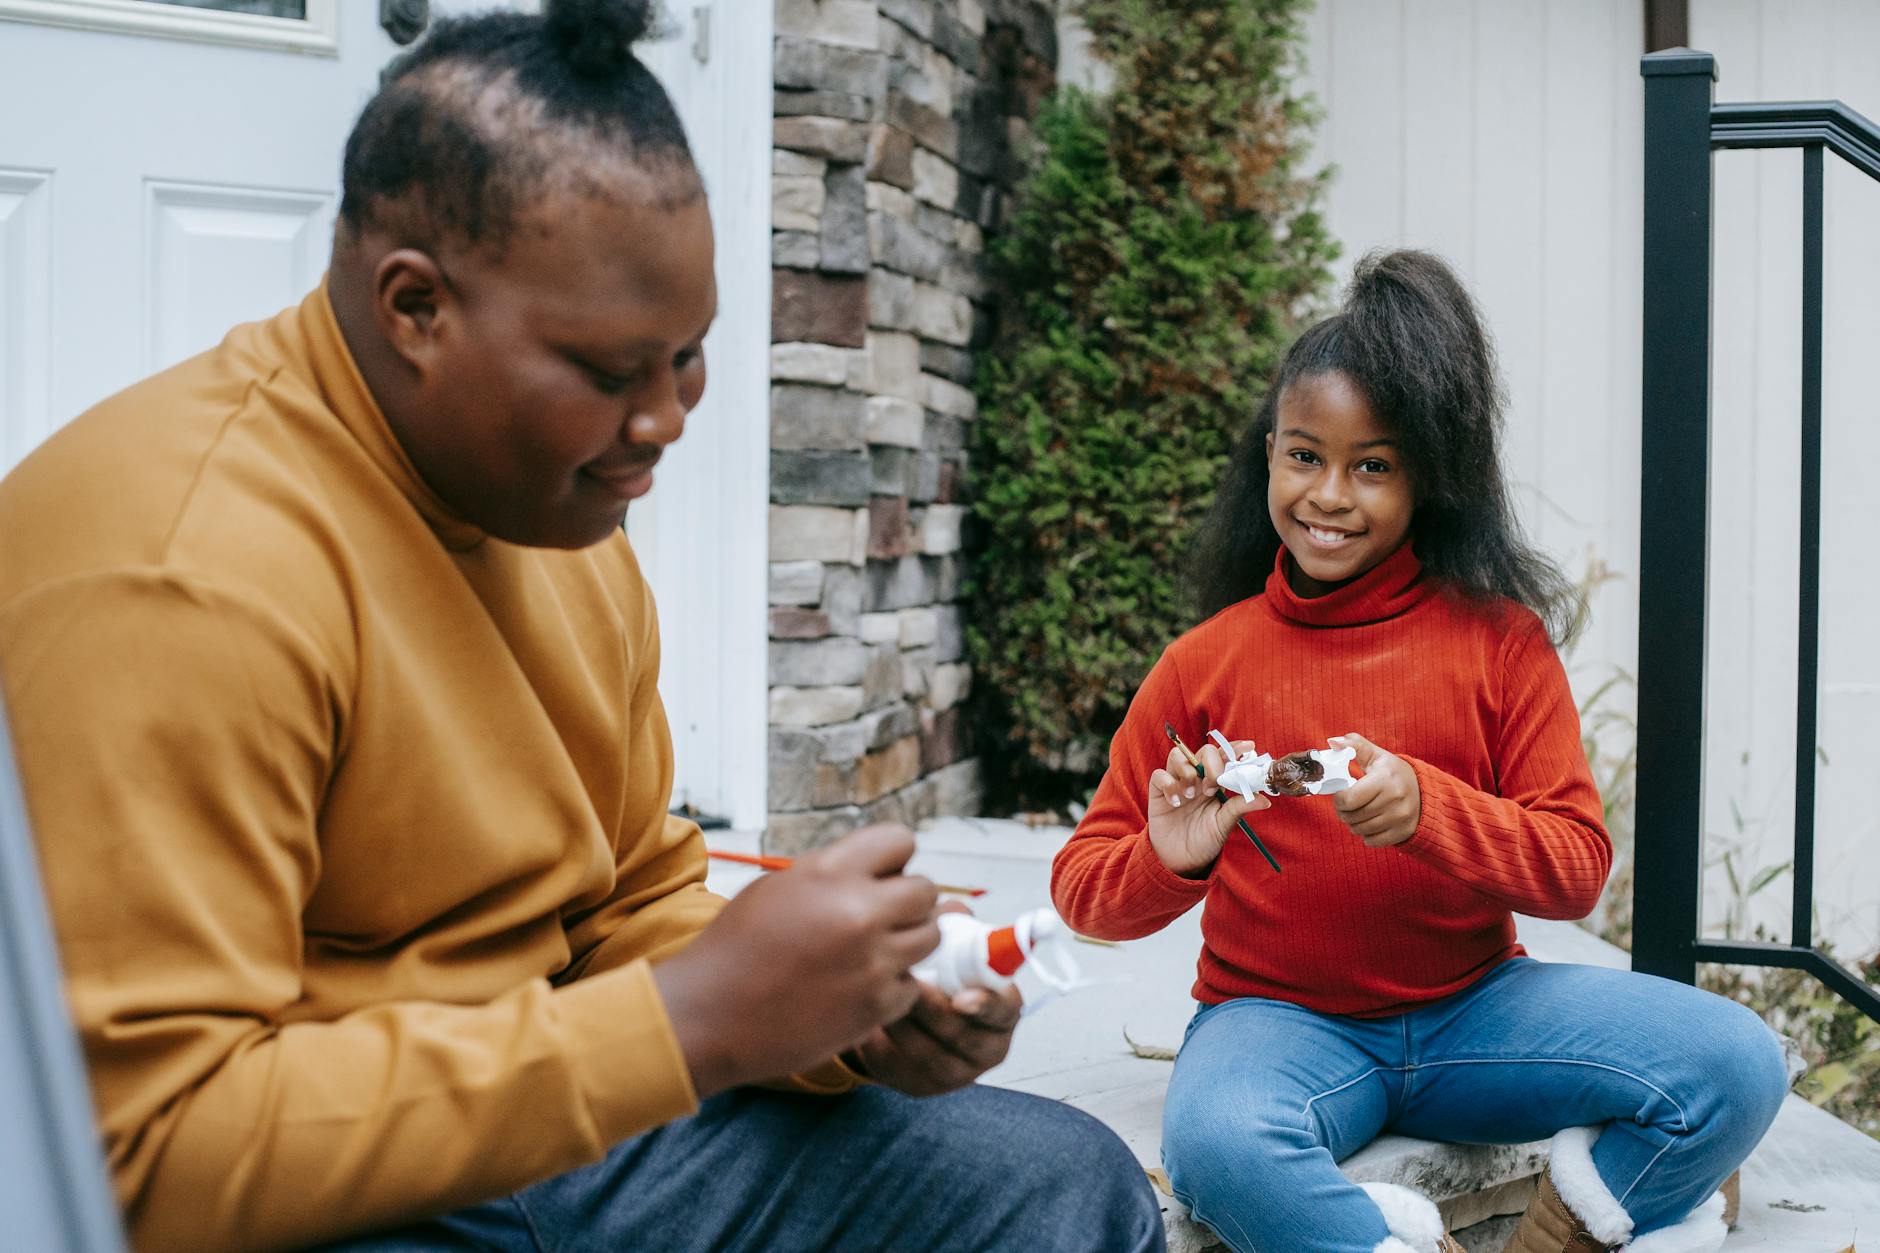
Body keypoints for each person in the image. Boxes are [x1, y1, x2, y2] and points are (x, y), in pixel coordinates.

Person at [0, 3, 1162, 1250]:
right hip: (302, 1191)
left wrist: (845, 1018)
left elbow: (623, 902)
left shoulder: (553, 508)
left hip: (549, 1124)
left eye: (687, 359)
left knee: (1055, 1189)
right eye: (610, 374)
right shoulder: (184, 577)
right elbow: (142, 1153)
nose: (664, 420)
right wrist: (684, 1022)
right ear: (413, 307)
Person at [1051, 250, 1789, 1253]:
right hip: (1273, 1022)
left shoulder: (1496, 641)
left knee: (1738, 1060)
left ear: (1423, 479)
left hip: (1476, 1017)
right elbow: (1082, 890)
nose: (1328, 495)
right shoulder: (1202, 663)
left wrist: (1427, 810)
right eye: (1303, 455)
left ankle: (1563, 1228)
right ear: (1267, 453)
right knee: (1217, 1143)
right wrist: (1173, 854)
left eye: (1373, 466)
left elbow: (1573, 869)